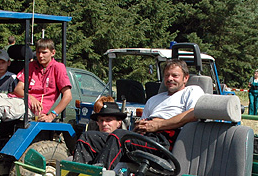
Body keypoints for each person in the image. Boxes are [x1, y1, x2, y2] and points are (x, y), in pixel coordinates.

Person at [0, 38, 72, 166]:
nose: (40, 56)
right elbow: (18, 89)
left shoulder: (58, 68)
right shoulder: (31, 66)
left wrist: (52, 115)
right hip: (18, 99)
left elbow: (67, 96)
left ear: (53, 52)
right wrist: (30, 97)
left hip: (34, 108)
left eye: (44, 52)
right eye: (38, 52)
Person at [72, 59, 203, 170]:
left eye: (175, 75)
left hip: (164, 141)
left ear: (186, 78)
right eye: (167, 75)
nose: (170, 79)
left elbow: (194, 113)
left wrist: (159, 125)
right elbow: (143, 124)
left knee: (120, 135)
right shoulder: (154, 99)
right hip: (145, 138)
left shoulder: (191, 91)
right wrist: (139, 127)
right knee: (89, 137)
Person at [73, 97, 127, 166]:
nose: (104, 124)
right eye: (101, 120)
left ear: (119, 123)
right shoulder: (92, 134)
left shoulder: (125, 140)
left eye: (108, 120)